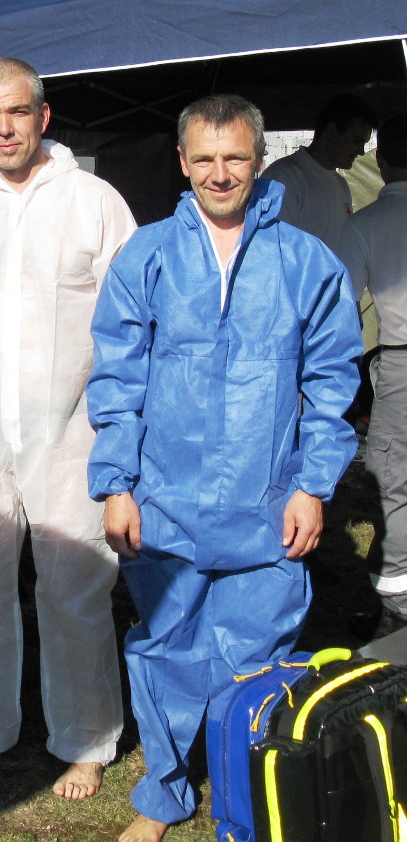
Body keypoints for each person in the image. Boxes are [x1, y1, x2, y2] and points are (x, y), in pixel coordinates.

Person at [86, 94, 361, 842]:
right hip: (164, 496)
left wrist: (312, 486)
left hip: (266, 500)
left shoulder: (305, 261)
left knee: (258, 657)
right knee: (165, 649)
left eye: (235, 157)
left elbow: (332, 382)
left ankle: (249, 791)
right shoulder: (147, 255)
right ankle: (163, 795)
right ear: (182, 162)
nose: (219, 173)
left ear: (260, 159)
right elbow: (116, 379)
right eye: (204, 158)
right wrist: (116, 486)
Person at [0, 57, 136, 800]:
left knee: (75, 588)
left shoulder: (94, 202)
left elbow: (128, 321)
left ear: (43, 116)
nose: (5, 128)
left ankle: (86, 739)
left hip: (72, 431)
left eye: (18, 112)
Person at [338, 114, 407, 640]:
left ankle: (397, 598)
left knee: (393, 476)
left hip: (401, 359)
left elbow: (340, 303)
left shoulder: (365, 224)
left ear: (380, 161)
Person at [260, 93, 377, 255]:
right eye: (357, 141)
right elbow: (269, 250)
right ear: (331, 132)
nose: (361, 151)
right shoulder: (282, 178)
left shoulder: (341, 185)